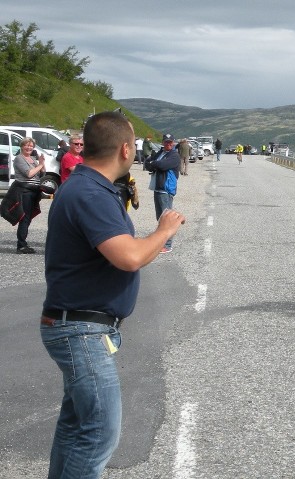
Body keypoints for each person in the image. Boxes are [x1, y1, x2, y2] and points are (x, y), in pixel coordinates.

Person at [40, 111, 185, 479]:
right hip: (81, 330)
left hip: (80, 326)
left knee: (77, 429)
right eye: (134, 145)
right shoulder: (91, 193)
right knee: (98, 434)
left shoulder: (88, 187)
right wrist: (164, 230)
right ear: (124, 149)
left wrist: (151, 242)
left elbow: (129, 256)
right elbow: (130, 257)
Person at [143, 133, 181, 253]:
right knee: (160, 218)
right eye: (166, 142)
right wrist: (153, 164)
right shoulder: (160, 152)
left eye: (170, 142)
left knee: (166, 218)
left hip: (166, 189)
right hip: (157, 188)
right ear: (163, 142)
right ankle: (161, 242)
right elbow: (147, 164)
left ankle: (168, 245)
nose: (168, 144)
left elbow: (162, 165)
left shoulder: (174, 155)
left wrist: (154, 164)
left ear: (173, 143)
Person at [11, 137, 47, 254]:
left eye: (31, 146)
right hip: (25, 191)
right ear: (22, 146)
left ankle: (23, 243)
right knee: (25, 218)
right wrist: (40, 166)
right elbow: (29, 174)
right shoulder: (19, 159)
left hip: (34, 191)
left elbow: (42, 173)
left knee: (28, 218)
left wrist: (42, 163)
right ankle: (21, 245)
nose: (29, 147)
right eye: (27, 145)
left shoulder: (32, 159)